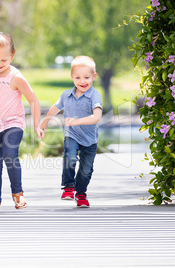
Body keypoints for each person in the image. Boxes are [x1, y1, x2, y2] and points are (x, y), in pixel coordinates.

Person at [0, 32, 44, 212]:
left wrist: (37, 125)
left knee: (10, 154)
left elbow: (33, 101)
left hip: (13, 122)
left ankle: (18, 194)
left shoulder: (16, 77)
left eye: (4, 60)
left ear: (12, 56)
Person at [40, 56, 102, 208]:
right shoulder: (66, 95)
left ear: (94, 76)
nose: (83, 81)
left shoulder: (94, 95)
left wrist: (76, 121)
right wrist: (45, 121)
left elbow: (97, 117)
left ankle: (81, 194)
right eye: (78, 77)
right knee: (70, 157)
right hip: (72, 135)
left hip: (90, 139)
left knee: (86, 169)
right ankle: (68, 187)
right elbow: (55, 107)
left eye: (87, 77)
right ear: (72, 77)